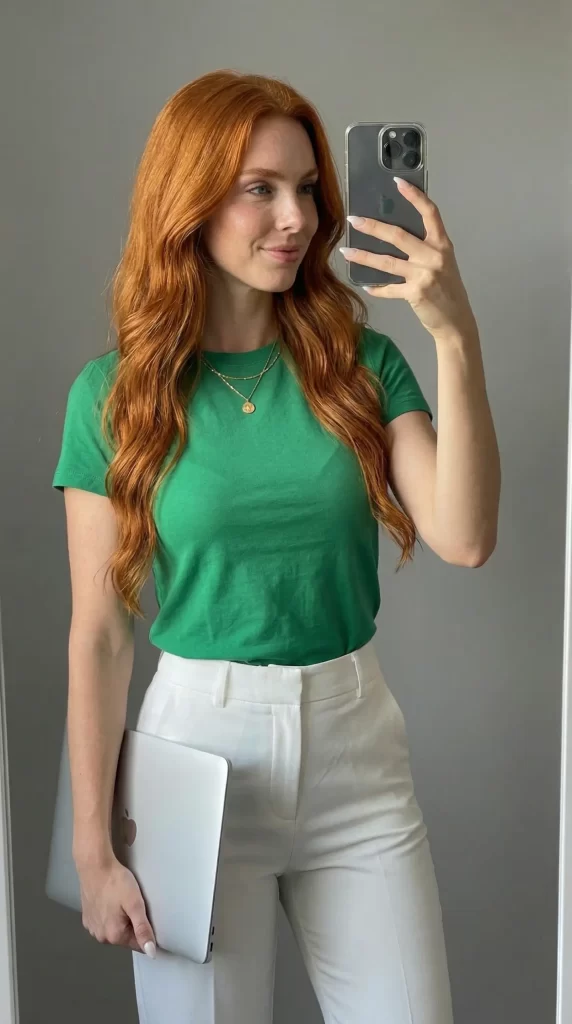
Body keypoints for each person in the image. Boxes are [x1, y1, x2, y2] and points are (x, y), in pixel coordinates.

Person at [52, 69, 500, 1024]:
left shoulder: (361, 365)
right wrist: (93, 849)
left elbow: (464, 536)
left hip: (356, 755)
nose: (296, 218)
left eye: (306, 188)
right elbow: (99, 633)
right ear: (190, 200)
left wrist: (453, 333)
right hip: (193, 759)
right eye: (259, 188)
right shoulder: (113, 396)